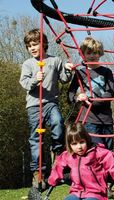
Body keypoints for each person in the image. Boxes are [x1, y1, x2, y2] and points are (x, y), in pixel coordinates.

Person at [19, 28, 73, 189]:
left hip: (51, 102)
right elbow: (25, 84)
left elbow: (64, 79)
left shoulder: (55, 60)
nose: (32, 48)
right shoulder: (28, 64)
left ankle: (57, 152)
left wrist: (69, 70)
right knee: (36, 139)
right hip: (34, 106)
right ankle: (38, 172)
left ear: (44, 44)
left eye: (35, 44)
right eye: (29, 46)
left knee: (58, 122)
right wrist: (35, 80)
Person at [48, 122, 114, 200]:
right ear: (69, 145)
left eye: (82, 142)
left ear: (87, 140)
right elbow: (58, 165)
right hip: (76, 192)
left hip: (96, 193)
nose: (79, 147)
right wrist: (52, 180)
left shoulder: (98, 153)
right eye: (74, 144)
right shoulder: (68, 155)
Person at [68, 37, 114, 151]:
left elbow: (110, 93)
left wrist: (91, 100)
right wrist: (78, 97)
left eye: (95, 52)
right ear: (83, 54)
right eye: (88, 53)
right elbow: (70, 93)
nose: (92, 56)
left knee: (108, 151)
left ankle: (107, 169)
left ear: (100, 54)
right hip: (89, 119)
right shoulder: (81, 72)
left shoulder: (106, 72)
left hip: (106, 119)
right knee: (96, 150)